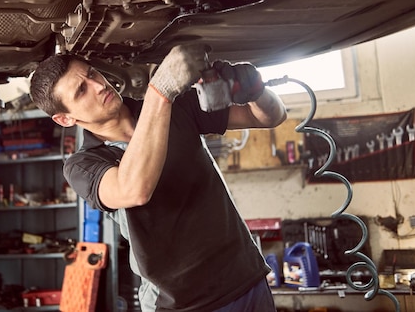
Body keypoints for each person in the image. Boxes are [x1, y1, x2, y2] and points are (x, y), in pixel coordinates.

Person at [29, 44, 287, 312]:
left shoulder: (177, 107)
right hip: (182, 305)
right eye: (81, 91)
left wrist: (256, 91)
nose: (98, 86)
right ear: (65, 119)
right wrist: (159, 91)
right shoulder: (82, 165)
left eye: (92, 74)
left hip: (246, 281)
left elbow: (269, 116)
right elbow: (134, 190)